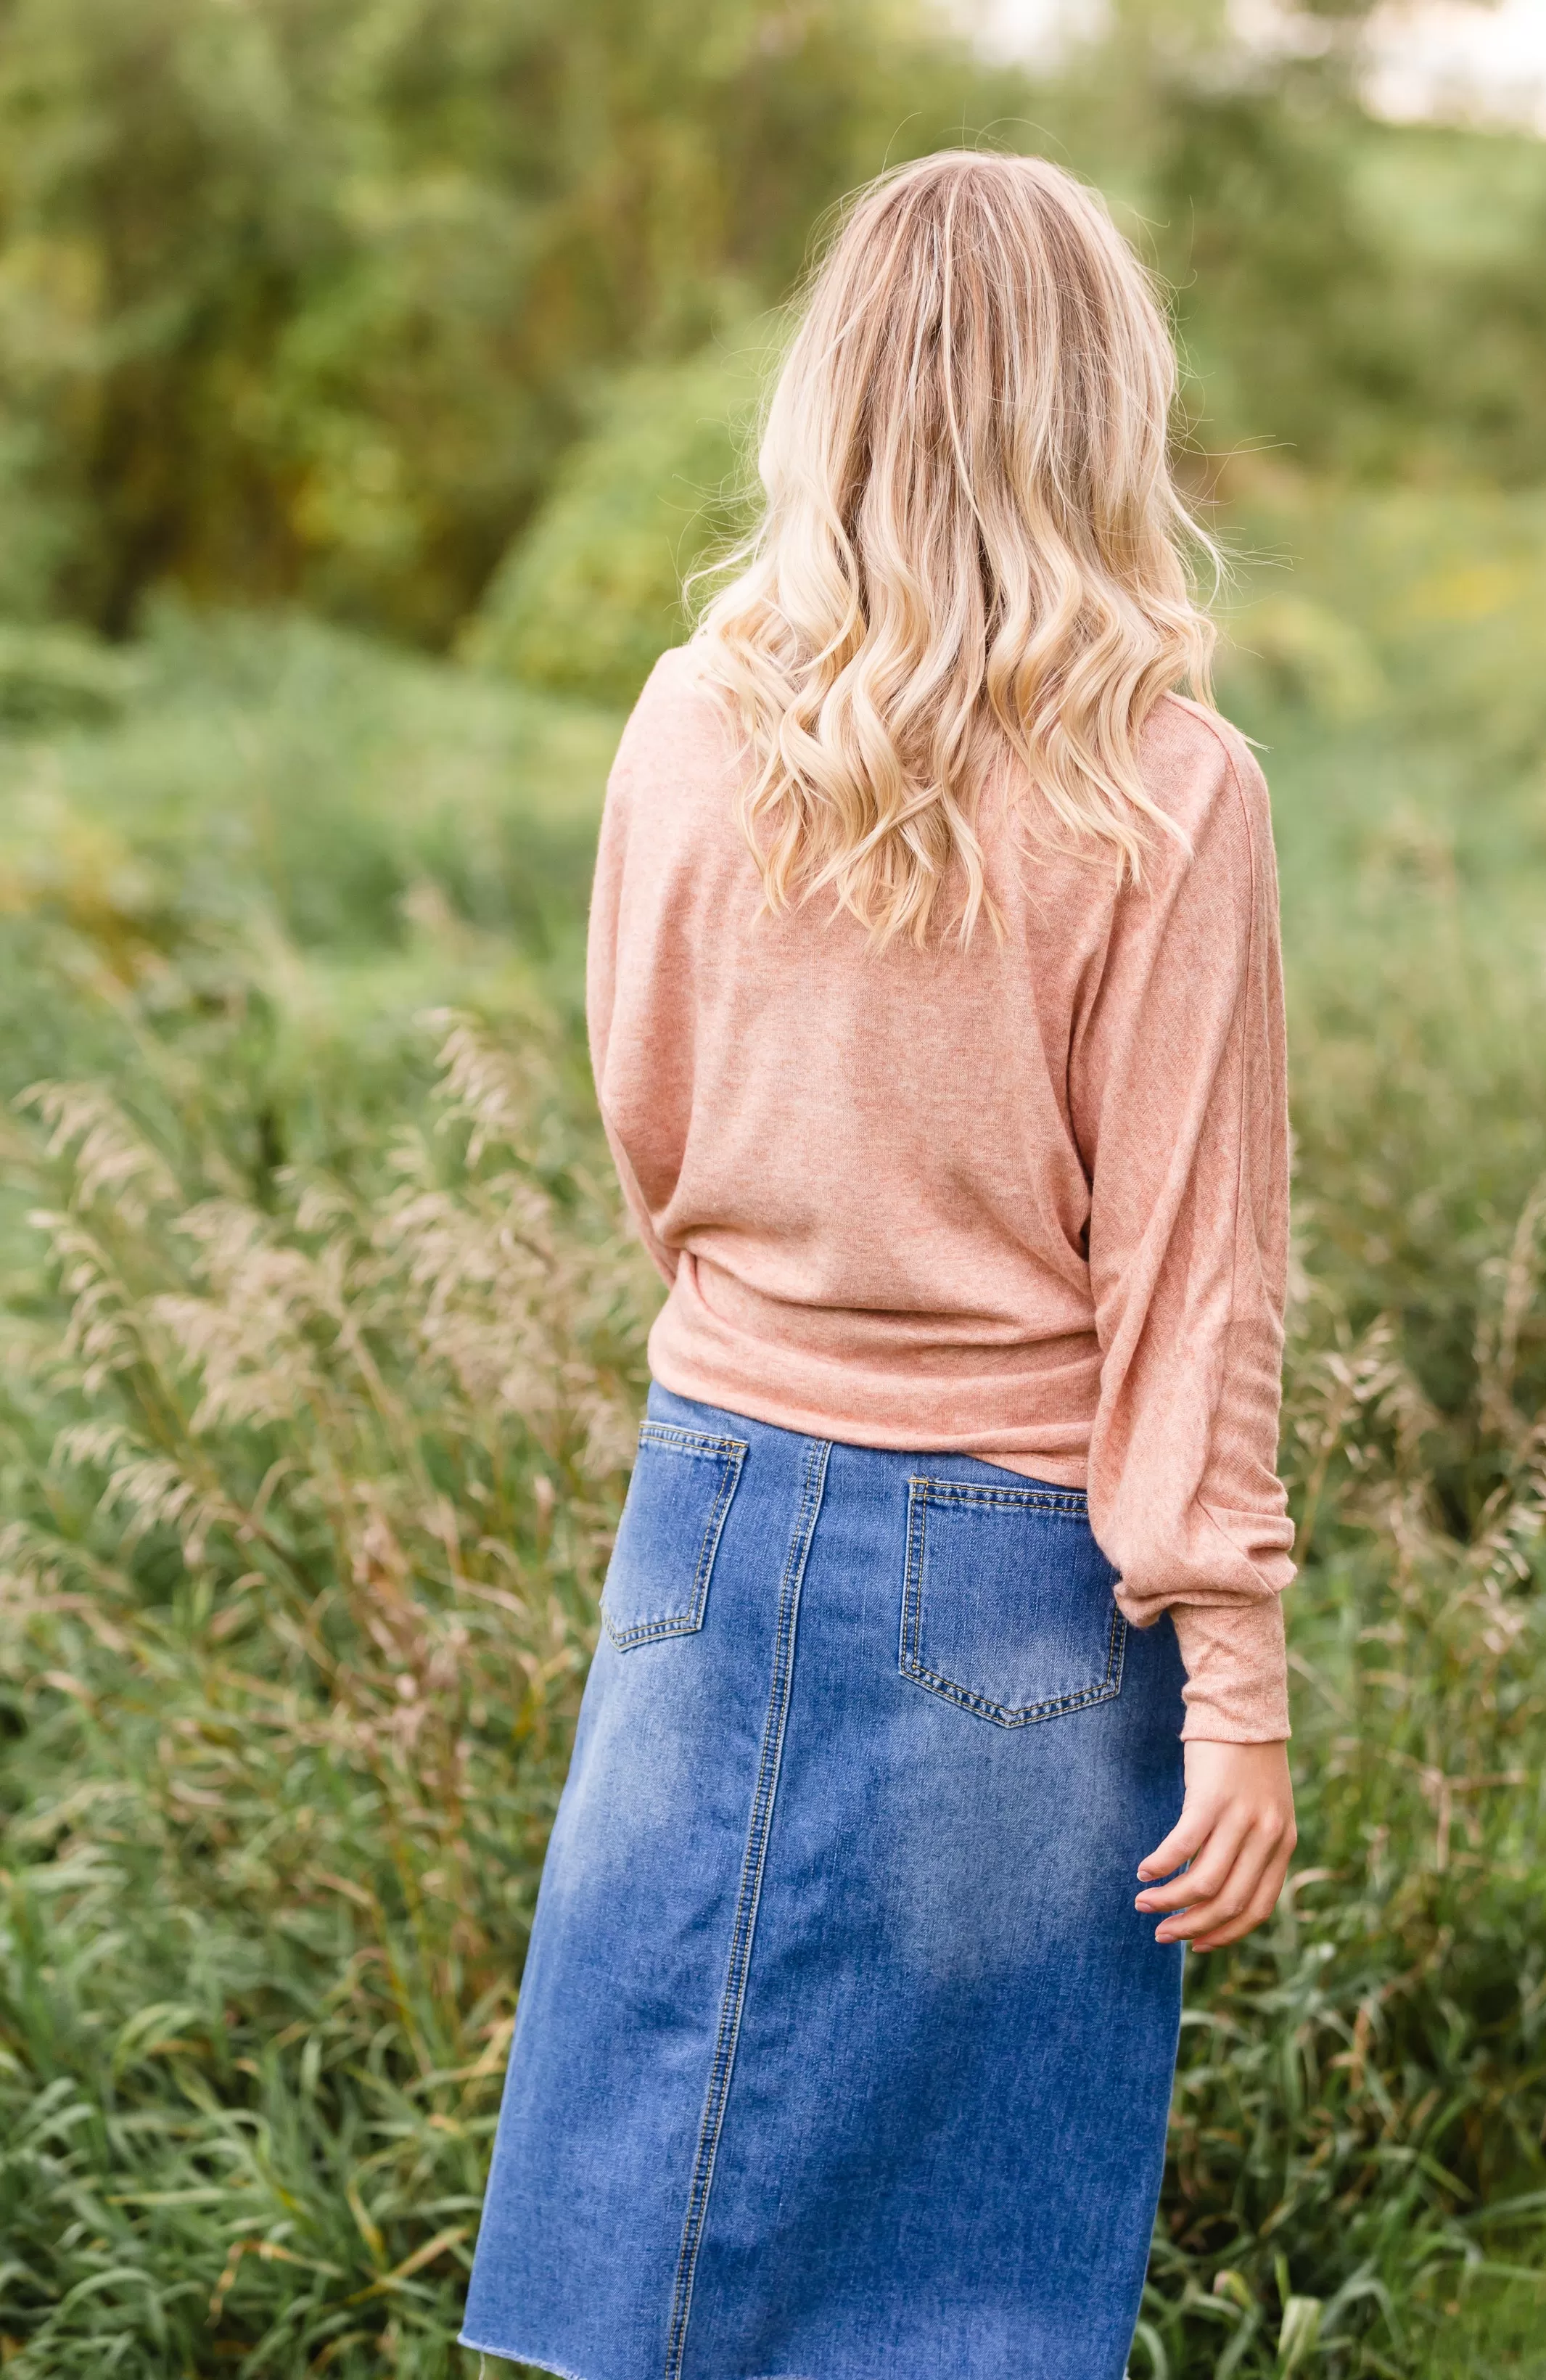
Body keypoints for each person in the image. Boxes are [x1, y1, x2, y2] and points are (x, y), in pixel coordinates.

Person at [461, 149, 1298, 2380]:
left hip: (705, 1512)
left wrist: (787, 1295)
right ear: (1101, 407)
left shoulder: (685, 717)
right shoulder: (1166, 784)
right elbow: (1193, 1275)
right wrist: (1238, 1683)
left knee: (641, 2233)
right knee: (954, 2302)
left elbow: (650, 1134)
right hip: (1022, 1572)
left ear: (825, 397)